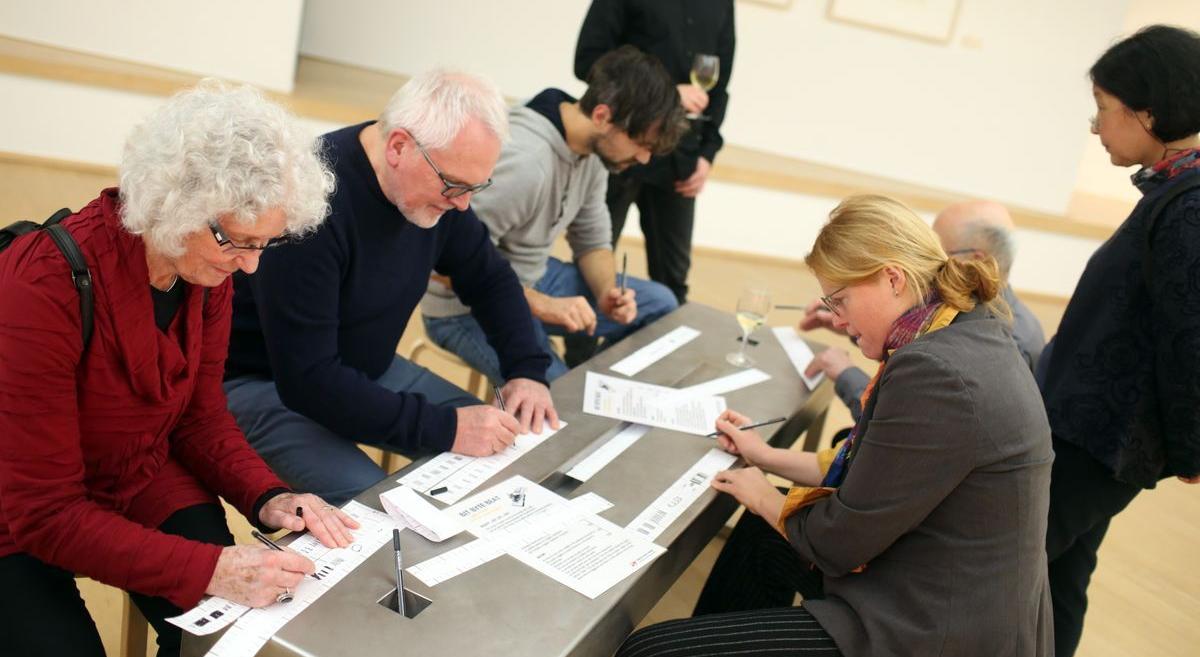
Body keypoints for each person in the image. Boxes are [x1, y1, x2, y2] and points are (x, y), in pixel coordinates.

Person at [0, 81, 356, 657]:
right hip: (20, 513)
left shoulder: (202, 270)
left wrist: (267, 495)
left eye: (265, 244)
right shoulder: (40, 285)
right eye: (236, 242)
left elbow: (199, 417)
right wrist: (211, 566)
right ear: (173, 202)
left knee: (230, 639)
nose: (250, 266)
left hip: (135, 469)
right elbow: (44, 513)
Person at [617, 195, 1053, 657]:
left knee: (648, 651)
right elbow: (871, 474)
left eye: (841, 300)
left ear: (892, 278)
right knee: (762, 536)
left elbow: (839, 543)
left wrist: (765, 491)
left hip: (935, 627)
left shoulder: (934, 370)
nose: (838, 320)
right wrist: (762, 456)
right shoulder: (963, 328)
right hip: (947, 588)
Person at [224, 70, 559, 506]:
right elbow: (308, 380)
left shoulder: (438, 185)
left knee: (504, 450)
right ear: (398, 146)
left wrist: (526, 371)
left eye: (475, 188)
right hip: (266, 383)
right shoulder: (309, 203)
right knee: (381, 509)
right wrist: (447, 428)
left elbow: (489, 277)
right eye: (455, 185)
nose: (462, 204)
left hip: (366, 366)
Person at [1040, 25, 1200, 657]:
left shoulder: (1188, 206)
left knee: (1005, 568)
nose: (1095, 127)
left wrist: (1192, 450)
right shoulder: (1171, 191)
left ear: (1148, 113)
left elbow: (1189, 342)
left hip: (1100, 441)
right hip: (1091, 433)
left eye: (1104, 111)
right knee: (1059, 578)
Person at [421, 46, 683, 383]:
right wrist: (541, 304)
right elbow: (440, 259)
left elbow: (592, 240)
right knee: (558, 400)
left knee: (660, 304)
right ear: (602, 116)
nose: (645, 159)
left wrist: (606, 292)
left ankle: (597, 395)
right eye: (640, 143)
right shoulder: (527, 164)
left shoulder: (591, 154)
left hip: (530, 279)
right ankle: (577, 398)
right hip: (464, 307)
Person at [803, 199, 1046, 420]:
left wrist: (846, 375)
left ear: (975, 259)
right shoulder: (977, 316)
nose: (922, 260)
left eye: (938, 250)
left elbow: (904, 419)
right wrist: (853, 327)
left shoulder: (990, 338)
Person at [574, 0, 735, 305]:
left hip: (680, 157)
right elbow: (588, 61)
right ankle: (581, 354)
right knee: (593, 263)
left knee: (673, 281)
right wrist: (668, 93)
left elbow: (720, 83)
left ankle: (661, 352)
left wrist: (707, 154)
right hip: (618, 152)